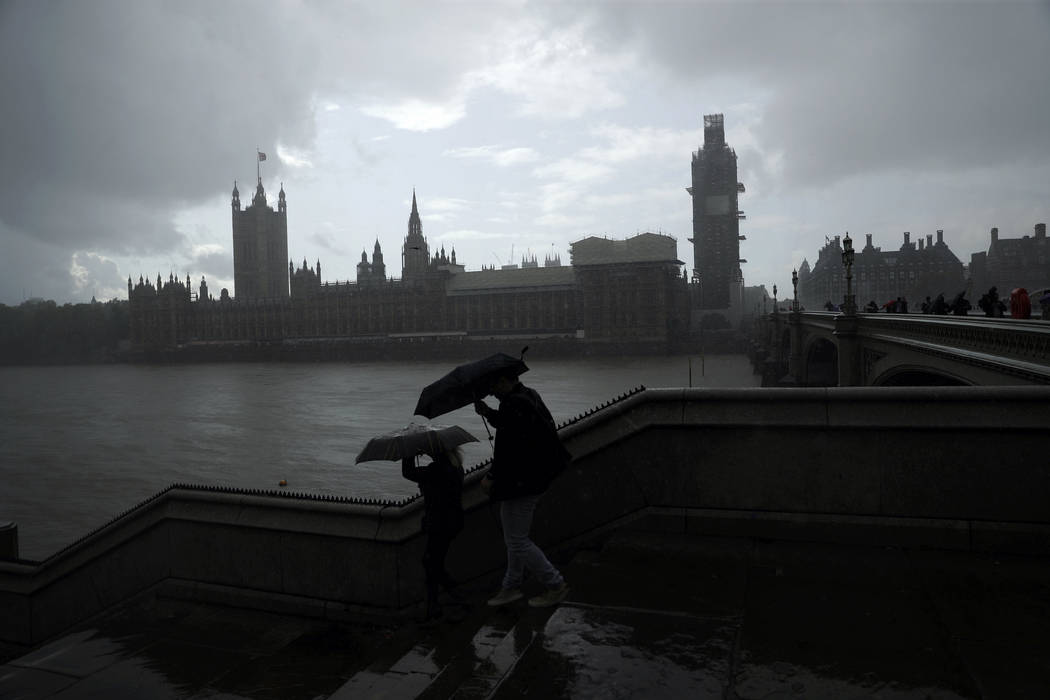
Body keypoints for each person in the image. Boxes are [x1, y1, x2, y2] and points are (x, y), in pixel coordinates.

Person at [475, 372, 571, 609]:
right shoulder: (528, 396)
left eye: (494, 387)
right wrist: (487, 412)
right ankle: (511, 586)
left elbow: (508, 448)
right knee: (515, 538)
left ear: (504, 380)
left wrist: (490, 476)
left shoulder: (514, 403)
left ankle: (555, 585)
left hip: (523, 482)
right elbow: (514, 426)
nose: (493, 393)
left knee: (517, 540)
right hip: (534, 477)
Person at [401, 445, 465, 621]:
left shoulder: (436, 469)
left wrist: (409, 453)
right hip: (453, 521)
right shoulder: (456, 466)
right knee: (433, 561)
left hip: (440, 523)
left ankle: (447, 599)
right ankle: (438, 603)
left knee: (430, 561)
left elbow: (408, 473)